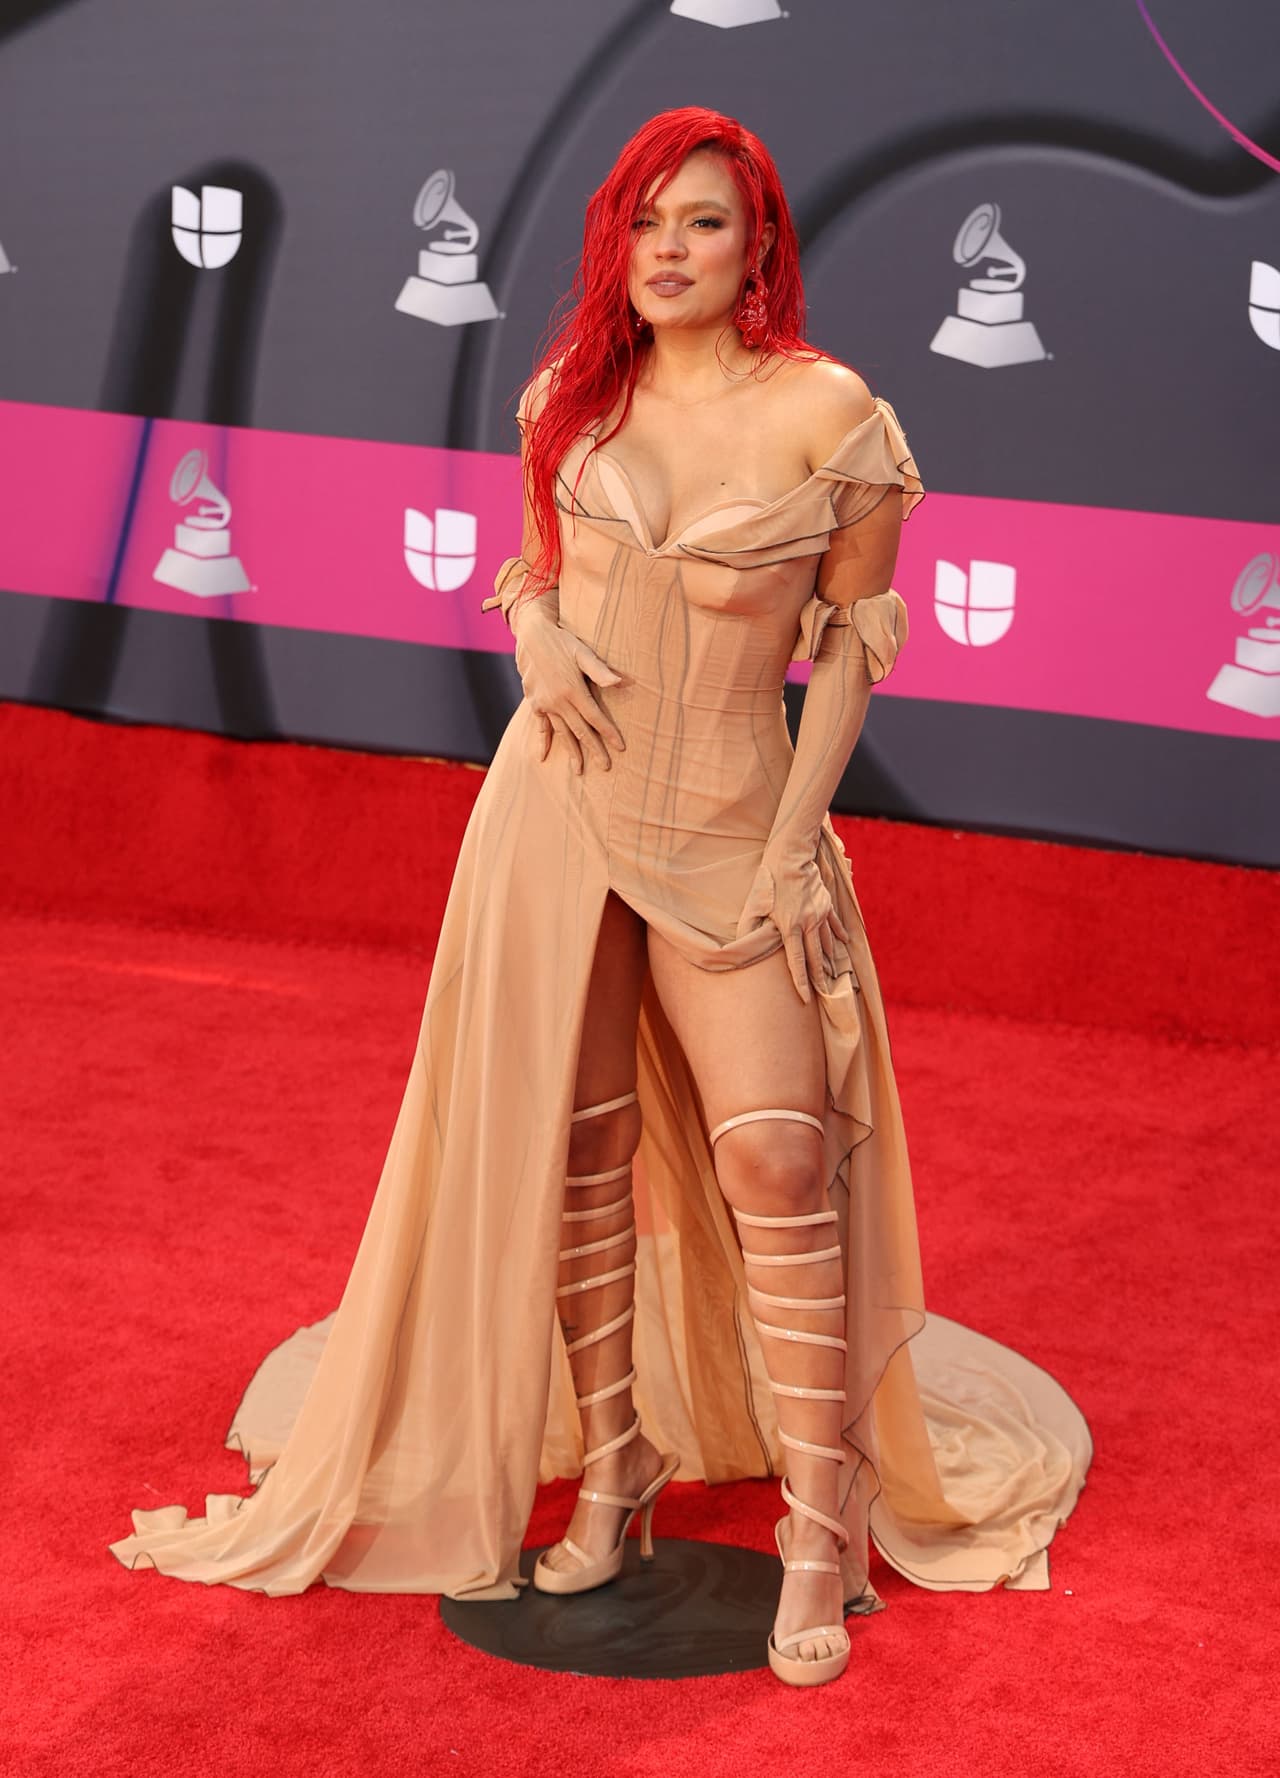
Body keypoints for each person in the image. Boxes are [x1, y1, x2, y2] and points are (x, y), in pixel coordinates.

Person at [110, 108, 1089, 1689]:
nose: (670, 253)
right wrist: (534, 630)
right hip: (558, 809)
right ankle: (620, 1470)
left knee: (778, 1153)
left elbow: (847, 648)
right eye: (644, 227)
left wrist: (790, 843)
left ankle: (821, 1528)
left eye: (702, 225)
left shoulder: (835, 414)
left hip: (736, 817)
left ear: (758, 242)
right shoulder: (569, 393)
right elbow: (539, 571)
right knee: (582, 1150)